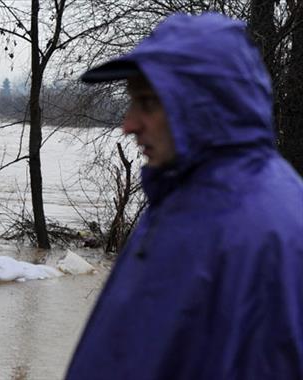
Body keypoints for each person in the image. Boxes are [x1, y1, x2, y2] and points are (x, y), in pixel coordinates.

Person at [66, 13, 303, 379]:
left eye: (146, 103)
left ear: (202, 105)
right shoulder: (181, 198)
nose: (127, 124)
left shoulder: (261, 232)